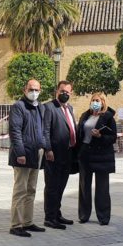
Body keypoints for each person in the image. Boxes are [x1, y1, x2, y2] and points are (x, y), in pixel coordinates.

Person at [8, 79, 47, 237]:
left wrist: (44, 146)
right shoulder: (19, 106)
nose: (34, 92)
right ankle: (16, 225)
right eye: (31, 89)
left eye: (37, 89)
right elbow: (15, 131)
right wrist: (20, 153)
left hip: (36, 153)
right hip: (23, 154)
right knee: (20, 190)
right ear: (25, 90)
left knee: (31, 189)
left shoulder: (40, 108)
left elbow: (42, 129)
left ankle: (28, 221)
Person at [76, 93, 117, 225]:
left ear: (103, 102)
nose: (95, 102)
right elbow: (79, 133)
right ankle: (83, 215)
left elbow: (113, 137)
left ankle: (103, 217)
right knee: (84, 186)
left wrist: (100, 136)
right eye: (93, 100)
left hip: (102, 155)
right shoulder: (85, 115)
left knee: (102, 188)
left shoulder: (108, 117)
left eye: (97, 100)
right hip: (86, 154)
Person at [42, 81, 77, 230]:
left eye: (68, 92)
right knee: (52, 186)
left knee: (61, 185)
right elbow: (45, 130)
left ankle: (57, 213)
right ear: (57, 91)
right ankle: (49, 217)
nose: (65, 94)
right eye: (62, 91)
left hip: (68, 153)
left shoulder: (69, 108)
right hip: (54, 154)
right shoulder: (49, 107)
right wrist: (48, 149)